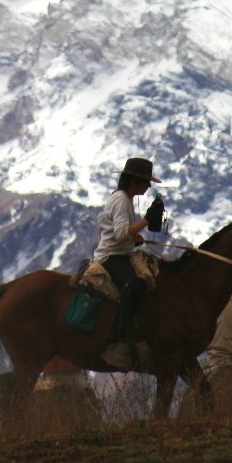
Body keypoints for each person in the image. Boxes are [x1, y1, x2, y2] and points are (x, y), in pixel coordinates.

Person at [94, 156, 166, 371]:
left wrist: (136, 237)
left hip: (119, 253)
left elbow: (123, 234)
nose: (147, 186)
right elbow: (118, 234)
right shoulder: (121, 200)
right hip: (111, 257)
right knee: (134, 286)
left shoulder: (123, 199)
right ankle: (117, 339)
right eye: (145, 182)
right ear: (134, 181)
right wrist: (146, 220)